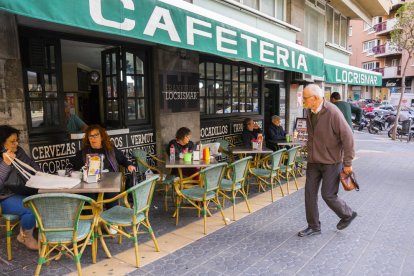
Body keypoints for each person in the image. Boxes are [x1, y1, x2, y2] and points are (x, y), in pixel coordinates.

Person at [298, 84, 357, 237]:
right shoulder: (309, 111)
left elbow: (348, 137)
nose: (303, 101)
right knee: (309, 193)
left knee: (328, 195)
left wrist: (348, 163)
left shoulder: (332, 112)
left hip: (332, 162)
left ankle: (347, 214)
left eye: (305, 98)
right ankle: (314, 226)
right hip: (314, 161)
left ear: (315, 98)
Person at [73, 125, 136, 205]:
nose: (93, 138)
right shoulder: (83, 152)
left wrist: (129, 165)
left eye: (96, 135)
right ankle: (93, 216)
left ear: (102, 137)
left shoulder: (110, 149)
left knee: (111, 195)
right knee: (87, 196)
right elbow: (75, 167)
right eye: (90, 136)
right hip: (91, 184)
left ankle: (111, 215)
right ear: (88, 139)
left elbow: (123, 159)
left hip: (110, 183)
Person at [0, 125, 38, 250]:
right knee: (30, 208)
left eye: (17, 140)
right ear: (2, 143)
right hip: (5, 198)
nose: (16, 144)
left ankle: (26, 230)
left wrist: (42, 175)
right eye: (12, 141)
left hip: (23, 190)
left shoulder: (18, 151)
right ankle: (26, 236)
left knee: (44, 200)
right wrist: (6, 164)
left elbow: (32, 165)